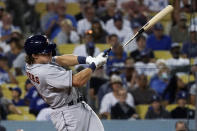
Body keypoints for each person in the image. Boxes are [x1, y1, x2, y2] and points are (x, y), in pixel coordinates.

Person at [24, 34, 107, 131]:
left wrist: (88, 59)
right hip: (68, 114)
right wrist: (94, 65)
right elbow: (77, 81)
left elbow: (60, 59)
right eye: (45, 52)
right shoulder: (43, 72)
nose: (50, 53)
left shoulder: (33, 62)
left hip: (79, 105)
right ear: (34, 55)